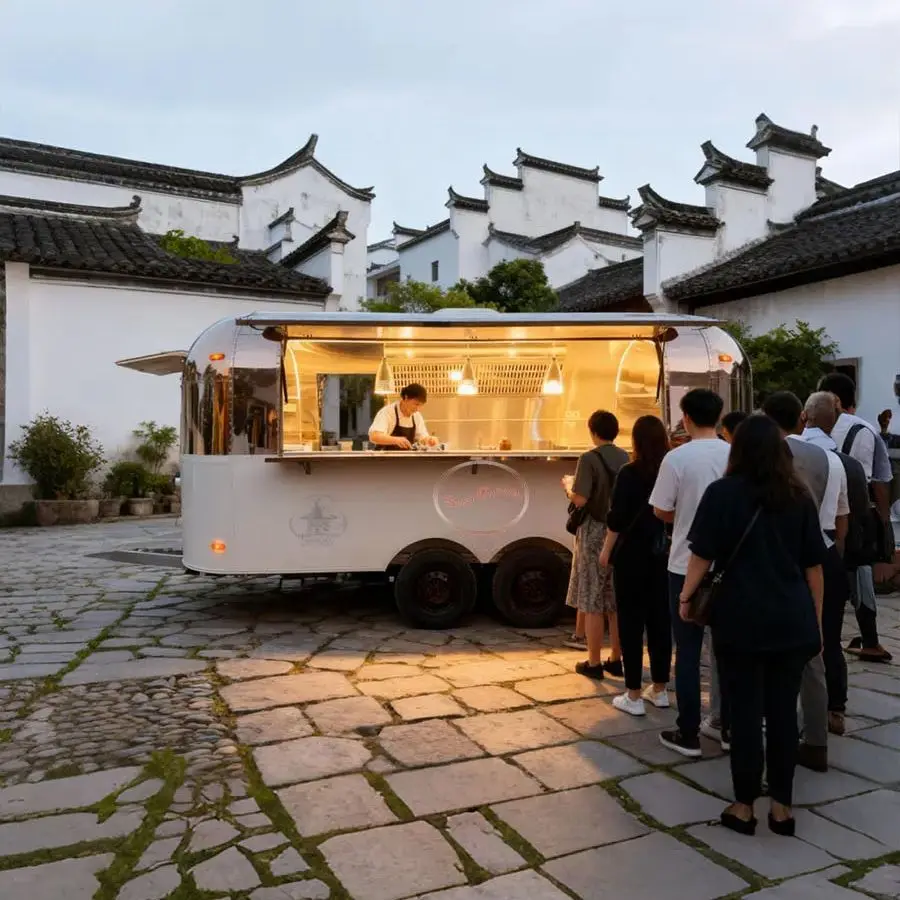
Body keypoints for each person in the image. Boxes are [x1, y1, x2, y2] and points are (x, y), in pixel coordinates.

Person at [680, 414, 826, 837]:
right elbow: (814, 568)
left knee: (743, 716)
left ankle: (744, 805)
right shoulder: (798, 496)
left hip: (740, 620)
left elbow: (700, 557)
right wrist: (815, 624)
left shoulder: (722, 494)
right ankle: (782, 807)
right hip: (791, 619)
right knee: (783, 715)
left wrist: (686, 598)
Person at [763, 391, 845, 772]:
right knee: (814, 649)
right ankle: (816, 741)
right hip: (820, 554)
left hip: (771, 559)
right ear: (800, 417)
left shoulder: (759, 457)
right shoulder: (831, 460)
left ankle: (755, 730)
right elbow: (840, 515)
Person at [650, 388, 730, 757]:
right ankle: (727, 726)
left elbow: (661, 511)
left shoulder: (677, 458)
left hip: (685, 564)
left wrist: (684, 513)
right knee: (728, 651)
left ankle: (688, 732)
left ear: (686, 418)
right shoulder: (735, 455)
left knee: (687, 649)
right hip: (730, 566)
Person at [600, 415, 672, 715]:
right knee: (660, 622)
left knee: (631, 622)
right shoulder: (670, 469)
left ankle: (632, 694)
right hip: (664, 554)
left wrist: (605, 552)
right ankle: (659, 688)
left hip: (632, 556)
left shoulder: (629, 473)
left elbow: (616, 518)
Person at [819, 373, 894, 663]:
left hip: (817, 510)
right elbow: (879, 480)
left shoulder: (810, 427)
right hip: (855, 510)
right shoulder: (864, 429)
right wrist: (884, 522)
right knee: (860, 570)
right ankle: (871, 639)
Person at [803, 391, 865, 739]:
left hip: (794, 554)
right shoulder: (843, 463)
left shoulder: (788, 452)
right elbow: (846, 523)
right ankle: (835, 709)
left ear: (804, 415)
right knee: (830, 634)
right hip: (828, 551)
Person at [563, 410, 629, 680]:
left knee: (591, 597)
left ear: (592, 431)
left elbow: (580, 499)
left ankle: (593, 662)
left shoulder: (588, 458)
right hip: (619, 532)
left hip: (594, 531)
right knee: (614, 597)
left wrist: (568, 487)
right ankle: (616, 657)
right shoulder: (626, 457)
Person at [368, 384, 436, 450]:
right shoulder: (387, 412)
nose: (417, 409)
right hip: (384, 459)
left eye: (420, 405)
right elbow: (374, 436)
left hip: (407, 460)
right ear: (406, 398)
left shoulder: (417, 416)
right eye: (416, 404)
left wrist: (429, 440)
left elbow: (422, 438)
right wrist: (396, 440)